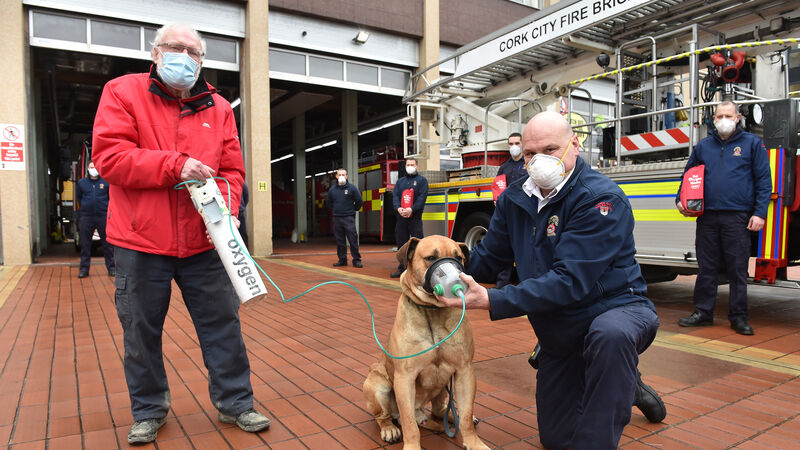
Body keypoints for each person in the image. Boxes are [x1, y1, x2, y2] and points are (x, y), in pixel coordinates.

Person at [438, 111, 664, 449]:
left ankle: (616, 375)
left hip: (616, 311)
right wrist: (443, 267)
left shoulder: (600, 199)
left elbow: (570, 281)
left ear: (574, 145)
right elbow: (489, 256)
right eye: (530, 154)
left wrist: (492, 300)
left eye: (550, 149)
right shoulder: (516, 198)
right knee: (556, 439)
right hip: (561, 332)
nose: (538, 161)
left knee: (610, 338)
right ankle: (623, 382)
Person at [91, 23, 270, 445]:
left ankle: (237, 403)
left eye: (194, 52)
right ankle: (149, 411)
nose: (185, 57)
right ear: (155, 53)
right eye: (175, 47)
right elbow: (111, 157)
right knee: (140, 331)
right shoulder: (121, 91)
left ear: (202, 61)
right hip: (139, 243)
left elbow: (232, 170)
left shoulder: (219, 107)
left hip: (203, 243)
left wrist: (225, 211)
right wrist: (175, 165)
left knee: (223, 326)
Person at [676, 101, 771, 335]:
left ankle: (739, 317)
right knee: (706, 267)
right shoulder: (704, 146)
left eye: (728, 115)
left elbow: (764, 181)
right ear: (714, 118)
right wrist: (680, 199)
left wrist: (759, 213)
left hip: (737, 217)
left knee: (737, 269)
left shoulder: (751, 144)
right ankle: (703, 312)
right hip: (707, 217)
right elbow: (687, 176)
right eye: (719, 116)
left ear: (738, 117)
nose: (723, 120)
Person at [493, 132, 526, 288]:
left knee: (525, 248)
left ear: (522, 144)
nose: (514, 147)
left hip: (525, 214)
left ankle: (525, 283)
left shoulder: (528, 164)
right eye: (511, 144)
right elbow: (498, 187)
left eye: (517, 143)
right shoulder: (504, 167)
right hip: (508, 215)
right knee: (505, 248)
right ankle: (502, 284)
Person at [74, 161, 115, 278]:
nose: (93, 169)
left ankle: (112, 268)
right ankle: (84, 270)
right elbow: (79, 197)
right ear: (87, 169)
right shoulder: (82, 183)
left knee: (107, 245)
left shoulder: (106, 182)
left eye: (95, 167)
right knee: (85, 245)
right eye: (91, 167)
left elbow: (110, 197)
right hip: (87, 217)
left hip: (102, 216)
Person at [391, 158, 428, 278]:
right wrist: (398, 208)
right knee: (402, 243)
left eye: (412, 164)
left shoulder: (422, 181)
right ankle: (402, 269)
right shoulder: (400, 182)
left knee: (417, 243)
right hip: (401, 217)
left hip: (415, 217)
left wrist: (412, 209)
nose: (410, 166)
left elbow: (422, 198)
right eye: (408, 165)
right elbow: (395, 196)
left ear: (417, 166)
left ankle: (419, 270)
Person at [326, 168, 363, 268]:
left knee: (353, 239)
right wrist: (335, 210)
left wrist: (353, 210)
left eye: (344, 174)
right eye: (340, 175)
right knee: (340, 240)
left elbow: (359, 200)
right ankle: (342, 260)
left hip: (348, 218)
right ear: (336, 176)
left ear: (346, 176)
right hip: (337, 218)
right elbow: (328, 202)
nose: (342, 176)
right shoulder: (332, 190)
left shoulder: (352, 188)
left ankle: (356, 260)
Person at [238, 182, 250, 248]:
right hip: (239, 211)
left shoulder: (241, 182)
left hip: (239, 213)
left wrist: (241, 208)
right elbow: (246, 196)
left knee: (242, 237)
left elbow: (246, 195)